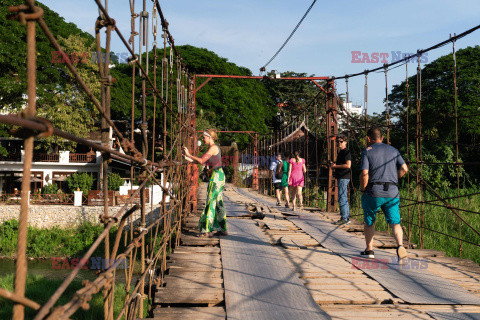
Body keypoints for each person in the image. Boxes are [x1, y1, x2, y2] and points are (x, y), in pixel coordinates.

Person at [360, 127, 409, 261]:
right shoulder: (394, 150)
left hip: (373, 191)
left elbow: (365, 173)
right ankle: (400, 246)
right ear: (382, 138)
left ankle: (369, 249)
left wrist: (363, 189)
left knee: (369, 221)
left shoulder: (367, 151)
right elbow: (405, 168)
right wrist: (394, 178)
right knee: (395, 222)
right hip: (392, 192)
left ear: (369, 138)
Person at [184, 129, 227, 237]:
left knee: (210, 201)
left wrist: (189, 154)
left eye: (204, 137)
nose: (202, 139)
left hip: (217, 175)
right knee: (218, 202)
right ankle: (222, 228)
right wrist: (188, 158)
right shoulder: (212, 148)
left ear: (209, 137)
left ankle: (207, 230)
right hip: (218, 174)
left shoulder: (213, 148)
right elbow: (200, 160)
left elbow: (202, 161)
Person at [330, 134, 352, 225]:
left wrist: (335, 166)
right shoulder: (341, 152)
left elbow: (348, 165)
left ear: (345, 142)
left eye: (341, 141)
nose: (339, 143)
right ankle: (346, 217)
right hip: (341, 177)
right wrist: (334, 164)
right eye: (337, 142)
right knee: (343, 197)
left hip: (344, 177)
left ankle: (344, 218)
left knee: (342, 197)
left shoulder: (346, 152)